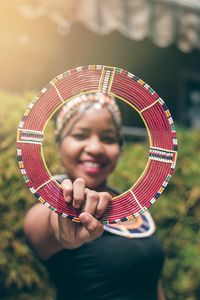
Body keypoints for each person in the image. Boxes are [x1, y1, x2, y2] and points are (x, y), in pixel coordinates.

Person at [24, 93, 166, 300]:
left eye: (108, 138)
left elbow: (152, 283)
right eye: (80, 135)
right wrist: (64, 225)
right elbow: (46, 226)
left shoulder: (132, 205)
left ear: (120, 147)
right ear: (59, 144)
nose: (95, 148)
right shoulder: (49, 207)